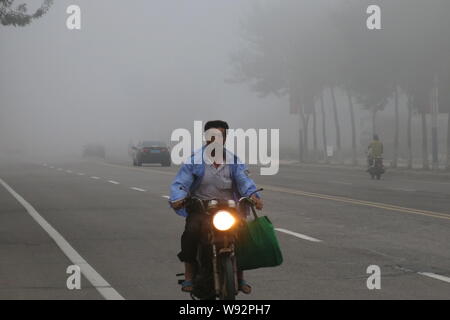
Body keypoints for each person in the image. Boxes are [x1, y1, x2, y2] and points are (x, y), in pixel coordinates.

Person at [169, 120, 263, 294]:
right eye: (213, 136)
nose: (217, 140)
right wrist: (179, 198)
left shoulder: (233, 160)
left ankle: (240, 277)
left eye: (221, 136)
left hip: (229, 209)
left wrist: (253, 196)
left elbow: (244, 181)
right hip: (201, 209)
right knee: (191, 231)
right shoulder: (194, 160)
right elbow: (181, 183)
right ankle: (189, 275)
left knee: (243, 233)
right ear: (206, 138)